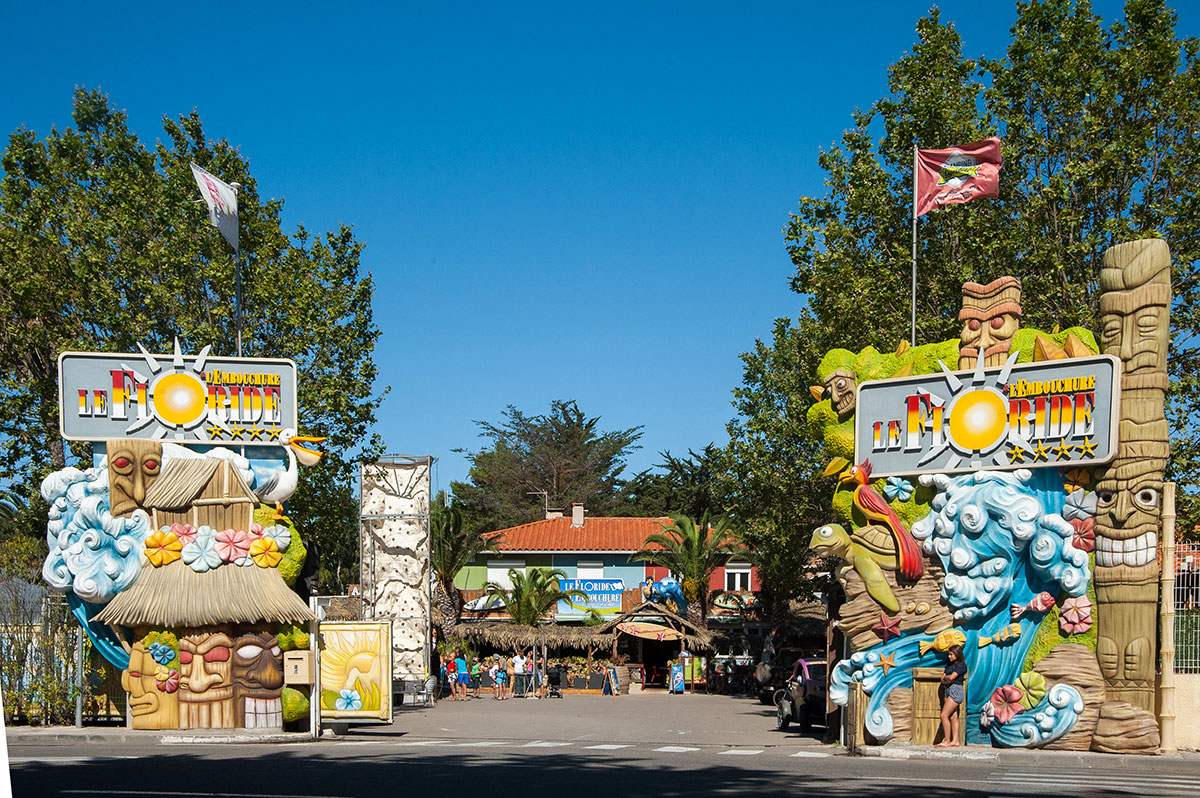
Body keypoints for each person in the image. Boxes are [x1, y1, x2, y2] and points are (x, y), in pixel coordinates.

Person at [938, 644, 967, 748]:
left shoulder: (960, 665)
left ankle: (947, 740)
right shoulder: (949, 666)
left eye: (951, 654)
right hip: (947, 690)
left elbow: (951, 678)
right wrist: (947, 678)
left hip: (955, 690)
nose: (949, 656)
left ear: (957, 654)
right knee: (953, 716)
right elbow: (943, 679)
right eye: (949, 654)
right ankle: (955, 740)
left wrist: (947, 678)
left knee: (944, 715)